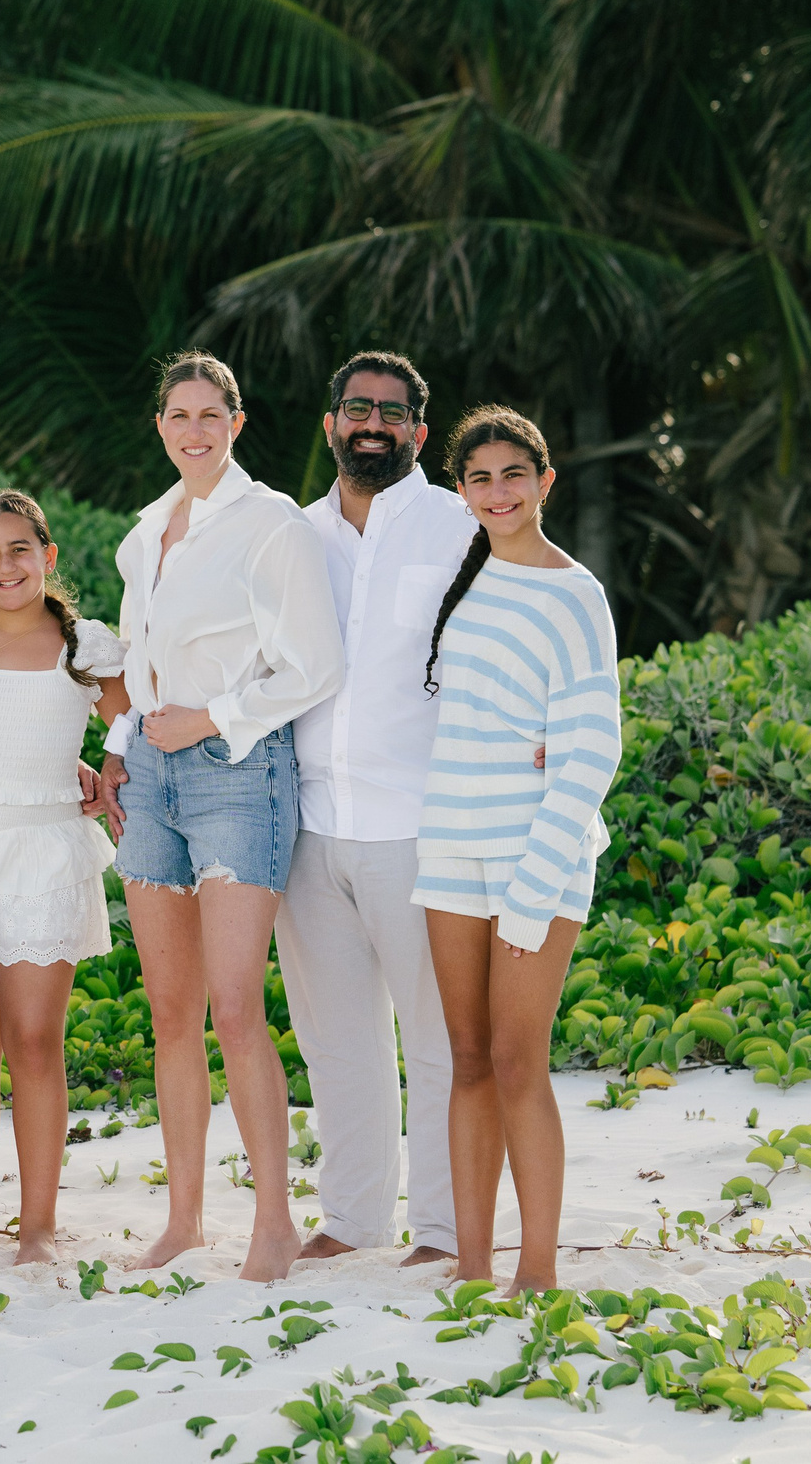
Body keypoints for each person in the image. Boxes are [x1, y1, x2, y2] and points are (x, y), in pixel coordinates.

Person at [98, 352, 344, 1284]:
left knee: (238, 1007)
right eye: (177, 415)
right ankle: (186, 1219)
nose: (193, 430)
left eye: (210, 415)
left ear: (237, 424)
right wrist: (124, 740)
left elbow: (314, 665)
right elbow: (141, 657)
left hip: (239, 771)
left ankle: (274, 1223)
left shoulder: (271, 524)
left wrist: (214, 719)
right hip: (153, 777)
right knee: (171, 1012)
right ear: (159, 426)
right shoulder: (145, 532)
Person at [416, 408, 619, 1298]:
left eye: (512, 475)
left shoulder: (577, 595)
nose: (497, 492)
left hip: (538, 853)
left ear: (545, 479)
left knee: (516, 1060)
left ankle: (536, 1272)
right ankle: (470, 1264)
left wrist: (535, 889)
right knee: (464, 1059)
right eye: (479, 479)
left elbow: (592, 752)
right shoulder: (466, 583)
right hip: (451, 844)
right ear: (462, 494)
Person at [278, 353, 475, 1271]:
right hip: (311, 822)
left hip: (420, 823)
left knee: (437, 1038)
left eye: (392, 413)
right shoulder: (292, 533)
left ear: (419, 434)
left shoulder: (459, 522)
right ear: (330, 424)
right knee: (336, 1038)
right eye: (355, 406)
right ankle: (354, 1218)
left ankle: (441, 1229)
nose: (372, 423)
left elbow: (525, 617)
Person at [0, 491, 129, 1266]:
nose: (5, 566)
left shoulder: (87, 645)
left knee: (36, 1043)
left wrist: (101, 764)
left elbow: (132, 721)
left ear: (46, 555)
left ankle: (37, 1227)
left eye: (19, 550)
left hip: (44, 852)